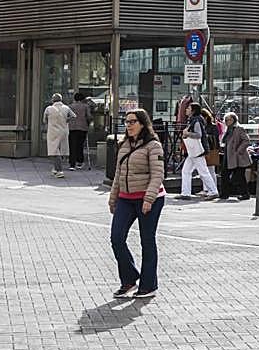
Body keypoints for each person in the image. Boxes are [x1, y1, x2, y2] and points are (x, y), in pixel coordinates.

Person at [108, 108, 165, 299]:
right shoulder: (124, 145)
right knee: (117, 238)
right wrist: (113, 197)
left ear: (142, 124)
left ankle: (149, 285)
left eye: (132, 122)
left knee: (147, 241)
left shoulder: (153, 145)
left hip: (148, 199)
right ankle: (129, 279)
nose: (129, 125)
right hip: (126, 197)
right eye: (126, 122)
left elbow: (158, 174)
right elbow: (118, 173)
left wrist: (148, 198)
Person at [179, 103, 219, 200]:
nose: (186, 110)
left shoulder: (196, 121)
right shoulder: (196, 120)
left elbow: (199, 135)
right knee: (187, 171)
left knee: (202, 171)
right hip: (195, 150)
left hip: (197, 150)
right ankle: (185, 193)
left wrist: (187, 133)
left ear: (193, 110)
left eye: (188, 108)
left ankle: (213, 191)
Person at [220, 112, 251, 201]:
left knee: (239, 176)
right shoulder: (227, 130)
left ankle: (245, 194)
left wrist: (239, 150)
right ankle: (224, 194)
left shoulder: (238, 129)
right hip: (228, 156)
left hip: (238, 157)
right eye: (226, 120)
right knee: (224, 174)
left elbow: (246, 141)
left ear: (234, 120)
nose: (227, 122)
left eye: (229, 120)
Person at [43, 93, 75, 178]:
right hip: (64, 131)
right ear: (61, 99)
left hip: (53, 131)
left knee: (54, 151)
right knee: (61, 150)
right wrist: (67, 120)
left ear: (53, 100)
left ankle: (59, 170)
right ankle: (55, 168)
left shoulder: (49, 109)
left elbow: (44, 120)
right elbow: (73, 116)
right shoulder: (66, 108)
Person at [68, 92, 94, 169]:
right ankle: (80, 161)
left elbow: (68, 116)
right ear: (82, 99)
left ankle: (72, 164)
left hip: (72, 128)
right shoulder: (85, 106)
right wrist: (89, 121)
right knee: (80, 145)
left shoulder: (70, 106)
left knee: (72, 145)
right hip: (83, 128)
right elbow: (89, 116)